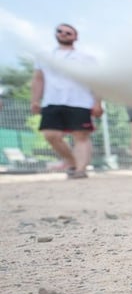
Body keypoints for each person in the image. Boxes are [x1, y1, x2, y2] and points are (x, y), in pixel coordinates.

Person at [31, 23, 102, 179]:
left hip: (80, 101)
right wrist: (35, 100)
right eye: (60, 31)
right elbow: (38, 79)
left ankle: (80, 170)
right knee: (50, 135)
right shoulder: (44, 56)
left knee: (81, 136)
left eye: (68, 32)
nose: (63, 34)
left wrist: (97, 102)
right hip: (52, 101)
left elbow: (97, 81)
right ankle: (71, 161)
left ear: (75, 37)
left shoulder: (87, 58)